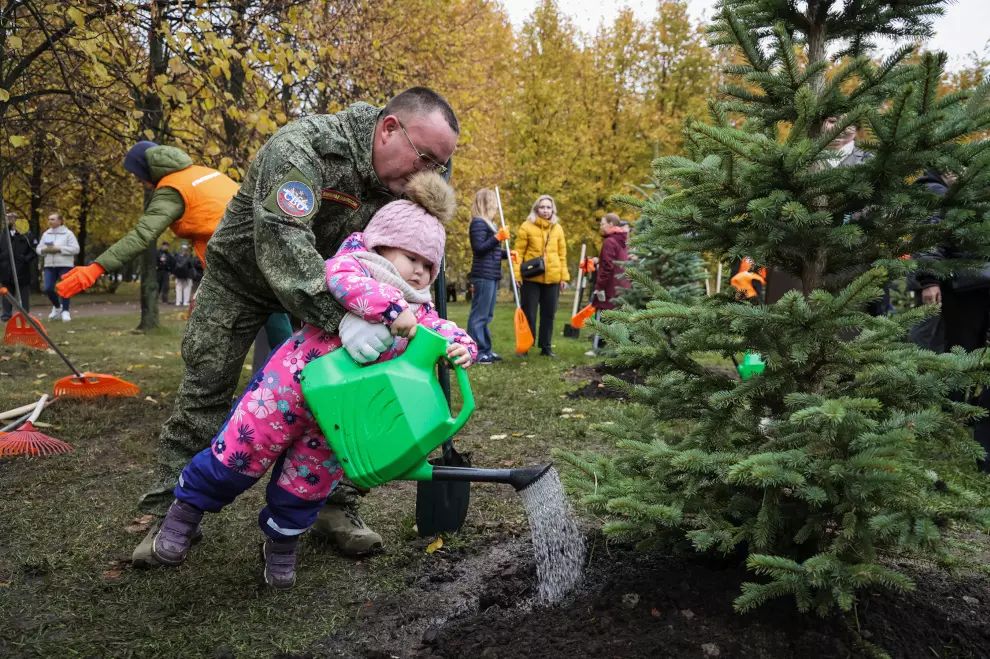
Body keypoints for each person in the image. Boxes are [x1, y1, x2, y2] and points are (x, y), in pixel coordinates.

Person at [65, 87, 458, 566]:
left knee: (353, 394)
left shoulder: (400, 186)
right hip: (245, 279)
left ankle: (335, 508)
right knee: (206, 386)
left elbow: (408, 260)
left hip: (343, 289)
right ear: (389, 128)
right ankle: (168, 511)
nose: (426, 175)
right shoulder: (303, 148)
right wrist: (347, 321)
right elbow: (284, 251)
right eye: (424, 159)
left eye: (437, 167)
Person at [146, 172, 476, 589]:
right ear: (383, 243)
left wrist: (461, 348)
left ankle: (281, 543)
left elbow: (445, 331)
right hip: (285, 392)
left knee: (307, 484)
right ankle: (184, 514)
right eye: (413, 258)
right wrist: (392, 311)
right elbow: (344, 282)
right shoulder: (354, 264)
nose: (420, 272)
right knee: (238, 455)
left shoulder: (421, 312)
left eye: (430, 266)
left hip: (337, 421)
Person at [912, 169, 990, 472]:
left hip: (977, 285)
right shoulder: (936, 192)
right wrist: (930, 278)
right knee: (960, 357)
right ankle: (947, 427)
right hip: (961, 287)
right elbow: (930, 236)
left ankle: (982, 447)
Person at [512, 194, 568, 358]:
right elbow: (518, 253)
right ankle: (525, 346)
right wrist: (517, 275)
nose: (545, 210)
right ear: (536, 209)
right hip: (531, 278)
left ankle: (546, 347)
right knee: (529, 313)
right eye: (542, 207)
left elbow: (562, 254)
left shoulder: (557, 228)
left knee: (549, 313)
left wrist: (563, 277)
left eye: (548, 207)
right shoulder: (526, 226)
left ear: (553, 210)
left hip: (553, 278)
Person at [466, 188, 510, 364]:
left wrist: (507, 254)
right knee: (479, 315)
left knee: (487, 314)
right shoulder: (478, 223)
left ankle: (486, 349)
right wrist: (498, 238)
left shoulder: (490, 224)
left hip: (491, 274)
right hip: (483, 275)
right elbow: (479, 248)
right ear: (486, 203)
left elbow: (492, 252)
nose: (496, 207)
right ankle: (476, 350)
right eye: (493, 203)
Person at [585, 213, 630, 356]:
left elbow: (607, 266)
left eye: (603, 223)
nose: (601, 226)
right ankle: (616, 348)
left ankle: (598, 348)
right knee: (616, 317)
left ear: (611, 224)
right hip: (621, 284)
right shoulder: (622, 241)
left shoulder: (610, 242)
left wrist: (599, 286)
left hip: (610, 285)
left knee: (601, 315)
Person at [37, 212, 80, 322]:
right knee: (47, 288)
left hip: (65, 265)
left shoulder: (68, 234)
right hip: (50, 265)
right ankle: (57, 307)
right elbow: (38, 248)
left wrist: (60, 249)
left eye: (53, 219)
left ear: (60, 221)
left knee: (65, 288)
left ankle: (65, 311)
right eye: (49, 219)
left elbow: (76, 249)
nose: (50, 221)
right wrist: (44, 250)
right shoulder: (46, 234)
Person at [0, 212, 37, 322]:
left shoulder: (26, 234)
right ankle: (6, 315)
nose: (7, 220)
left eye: (10, 218)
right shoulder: (3, 234)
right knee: (7, 294)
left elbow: (34, 251)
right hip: (6, 269)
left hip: (21, 270)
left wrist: (25, 259)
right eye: (6, 218)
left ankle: (25, 315)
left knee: (23, 294)